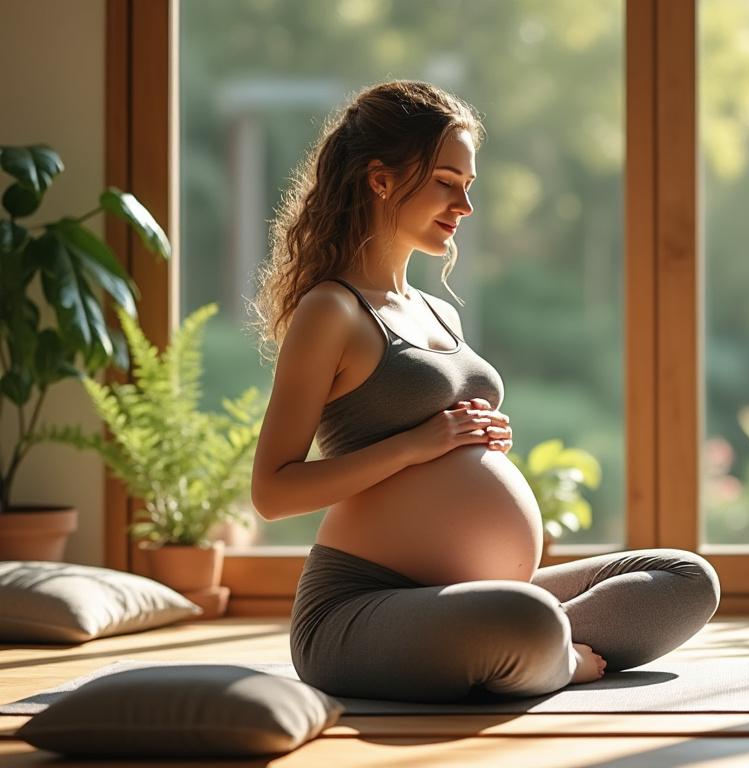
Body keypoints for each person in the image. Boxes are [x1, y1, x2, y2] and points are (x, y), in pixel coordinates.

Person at [246, 80, 720, 702]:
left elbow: (446, 450)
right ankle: (541, 651)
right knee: (523, 620)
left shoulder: (440, 312)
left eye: (468, 185)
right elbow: (272, 491)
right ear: (381, 179)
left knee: (686, 578)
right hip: (362, 607)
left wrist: (478, 447)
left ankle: (526, 650)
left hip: (478, 601)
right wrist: (418, 446)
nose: (464, 205)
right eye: (446, 181)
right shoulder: (331, 311)